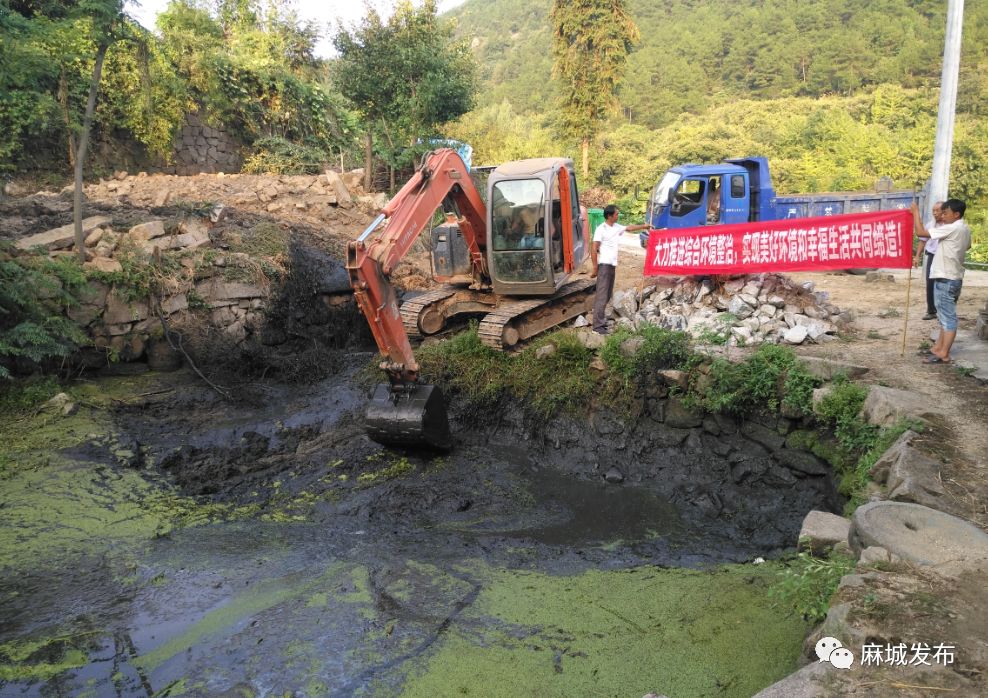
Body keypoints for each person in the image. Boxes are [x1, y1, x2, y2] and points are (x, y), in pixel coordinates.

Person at [912, 198, 972, 364]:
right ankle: (938, 348)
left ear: (956, 214)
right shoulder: (964, 229)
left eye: (946, 213)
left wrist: (916, 213)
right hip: (953, 277)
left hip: (946, 277)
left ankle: (943, 353)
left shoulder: (952, 227)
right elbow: (967, 246)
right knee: (944, 316)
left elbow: (921, 233)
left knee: (948, 318)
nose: (942, 216)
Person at [590, 204, 650, 335]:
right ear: (610, 216)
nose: (618, 216)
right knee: (602, 295)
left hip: (611, 266)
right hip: (604, 266)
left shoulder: (616, 227)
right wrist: (595, 267)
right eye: (616, 214)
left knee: (607, 294)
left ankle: (601, 321)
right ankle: (597, 327)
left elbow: (629, 228)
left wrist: (644, 226)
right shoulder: (601, 229)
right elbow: (594, 248)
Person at [914, 201, 944, 320]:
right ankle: (931, 310)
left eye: (938, 210)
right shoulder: (930, 225)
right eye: (933, 211)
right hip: (932, 255)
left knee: (942, 283)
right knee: (930, 283)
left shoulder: (948, 227)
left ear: (945, 211)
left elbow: (919, 233)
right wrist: (917, 256)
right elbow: (922, 239)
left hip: (943, 257)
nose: (935, 213)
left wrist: (916, 213)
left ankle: (942, 310)